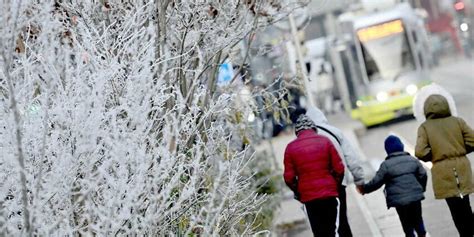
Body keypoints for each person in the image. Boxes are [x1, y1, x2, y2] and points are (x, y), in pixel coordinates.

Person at [415, 94, 474, 237]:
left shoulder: (425, 127)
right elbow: (472, 141)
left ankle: (465, 234)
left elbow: (420, 152)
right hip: (462, 167)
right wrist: (459, 151)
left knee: (455, 209)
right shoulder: (457, 122)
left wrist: (434, 155)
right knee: (465, 204)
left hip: (442, 171)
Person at [306, 107, 364, 237]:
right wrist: (359, 180)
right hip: (337, 183)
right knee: (342, 220)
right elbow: (351, 158)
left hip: (313, 190)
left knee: (322, 226)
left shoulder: (302, 139)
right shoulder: (335, 132)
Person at [283, 114, 345, 237]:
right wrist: (335, 184)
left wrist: (298, 191)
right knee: (332, 231)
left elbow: (288, 178)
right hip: (329, 194)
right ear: (313, 128)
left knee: (319, 232)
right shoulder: (325, 141)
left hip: (309, 198)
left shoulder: (290, 148)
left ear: (297, 131)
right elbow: (339, 169)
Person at [357, 135, 428, 237]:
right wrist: (420, 188)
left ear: (387, 150)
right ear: (401, 146)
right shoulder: (412, 160)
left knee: (406, 223)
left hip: (399, 201)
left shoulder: (386, 165)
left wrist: (364, 189)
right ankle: (422, 233)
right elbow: (423, 175)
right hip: (414, 197)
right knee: (417, 218)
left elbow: (377, 181)